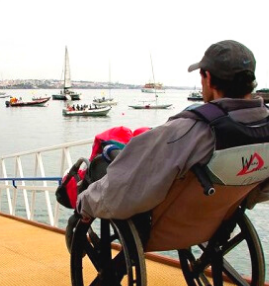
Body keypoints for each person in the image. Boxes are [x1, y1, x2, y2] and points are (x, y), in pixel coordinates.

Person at [77, 40, 269, 226]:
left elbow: (123, 191)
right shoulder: (263, 129)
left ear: (208, 78)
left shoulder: (189, 131)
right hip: (217, 219)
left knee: (101, 165)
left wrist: (84, 203)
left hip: (163, 224)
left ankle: (76, 219)